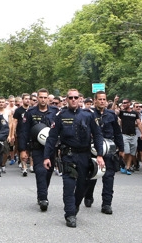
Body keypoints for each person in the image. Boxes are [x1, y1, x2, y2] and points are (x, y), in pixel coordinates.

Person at [42, 88, 105, 228]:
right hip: (68, 155)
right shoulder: (60, 115)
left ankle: (75, 205)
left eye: (76, 97)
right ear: (66, 100)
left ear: (80, 99)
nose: (74, 100)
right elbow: (51, 138)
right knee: (69, 185)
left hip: (85, 155)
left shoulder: (88, 115)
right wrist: (47, 157)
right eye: (70, 98)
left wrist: (100, 155)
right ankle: (70, 214)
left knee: (83, 185)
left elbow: (98, 135)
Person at [84, 91, 124, 214]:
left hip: (109, 149)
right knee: (92, 175)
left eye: (104, 99)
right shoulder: (87, 114)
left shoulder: (111, 115)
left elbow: (117, 132)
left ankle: (106, 204)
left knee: (108, 177)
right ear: (95, 100)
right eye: (99, 99)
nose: (102, 101)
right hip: (92, 149)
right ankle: (88, 195)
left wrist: (121, 149)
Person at [19, 88, 58, 211]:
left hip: (51, 148)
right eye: (40, 97)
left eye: (45, 97)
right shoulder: (30, 112)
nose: (43, 99)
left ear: (48, 99)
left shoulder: (55, 112)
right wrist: (23, 150)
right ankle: (43, 198)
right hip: (37, 147)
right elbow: (24, 132)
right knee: (40, 171)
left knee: (48, 172)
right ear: (37, 98)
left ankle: (42, 192)